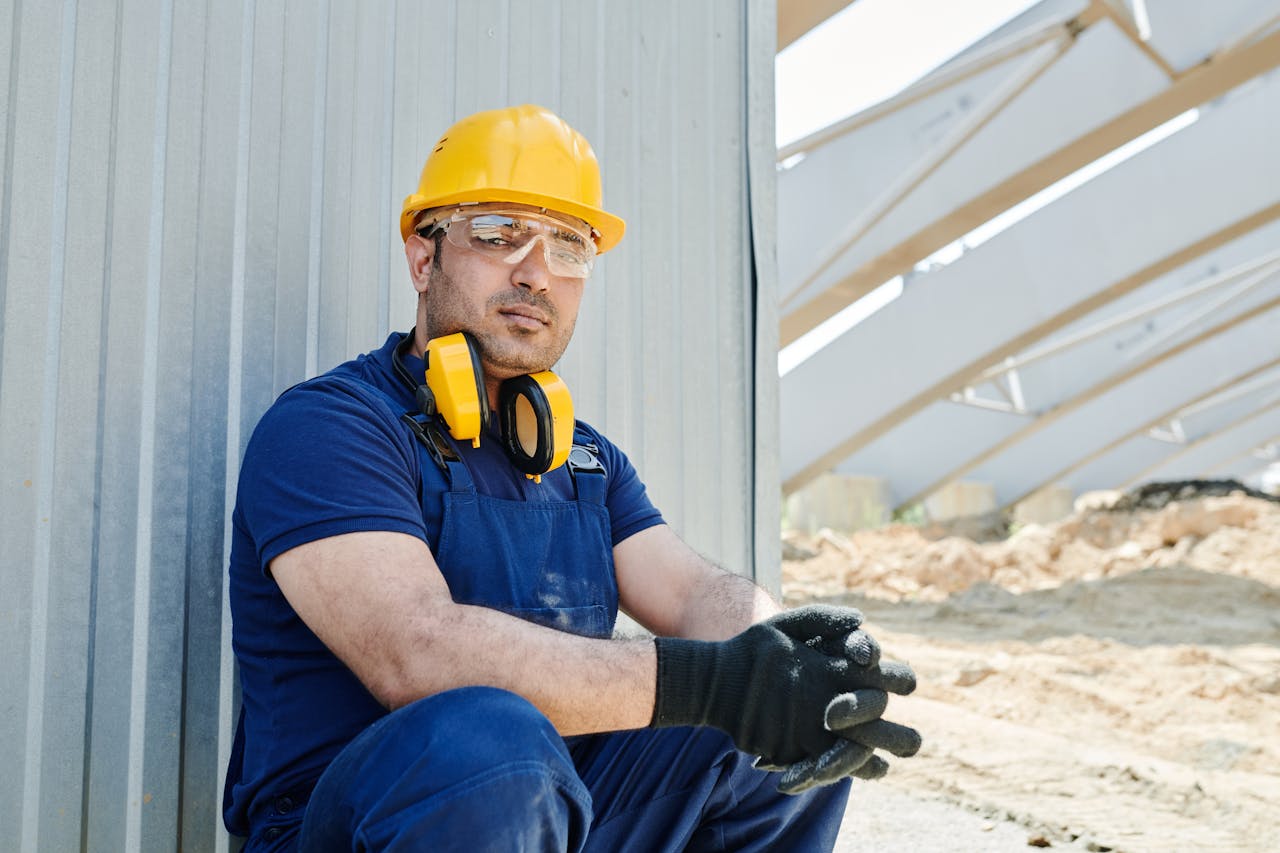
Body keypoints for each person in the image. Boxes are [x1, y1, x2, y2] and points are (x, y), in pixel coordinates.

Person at [222, 104, 920, 852]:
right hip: (358, 824)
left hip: (551, 812)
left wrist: (783, 657)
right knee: (490, 734)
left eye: (568, 247)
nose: (535, 272)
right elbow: (415, 651)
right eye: (497, 234)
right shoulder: (332, 427)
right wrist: (713, 683)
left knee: (771, 738)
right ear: (424, 257)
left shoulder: (582, 458)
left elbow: (689, 591)